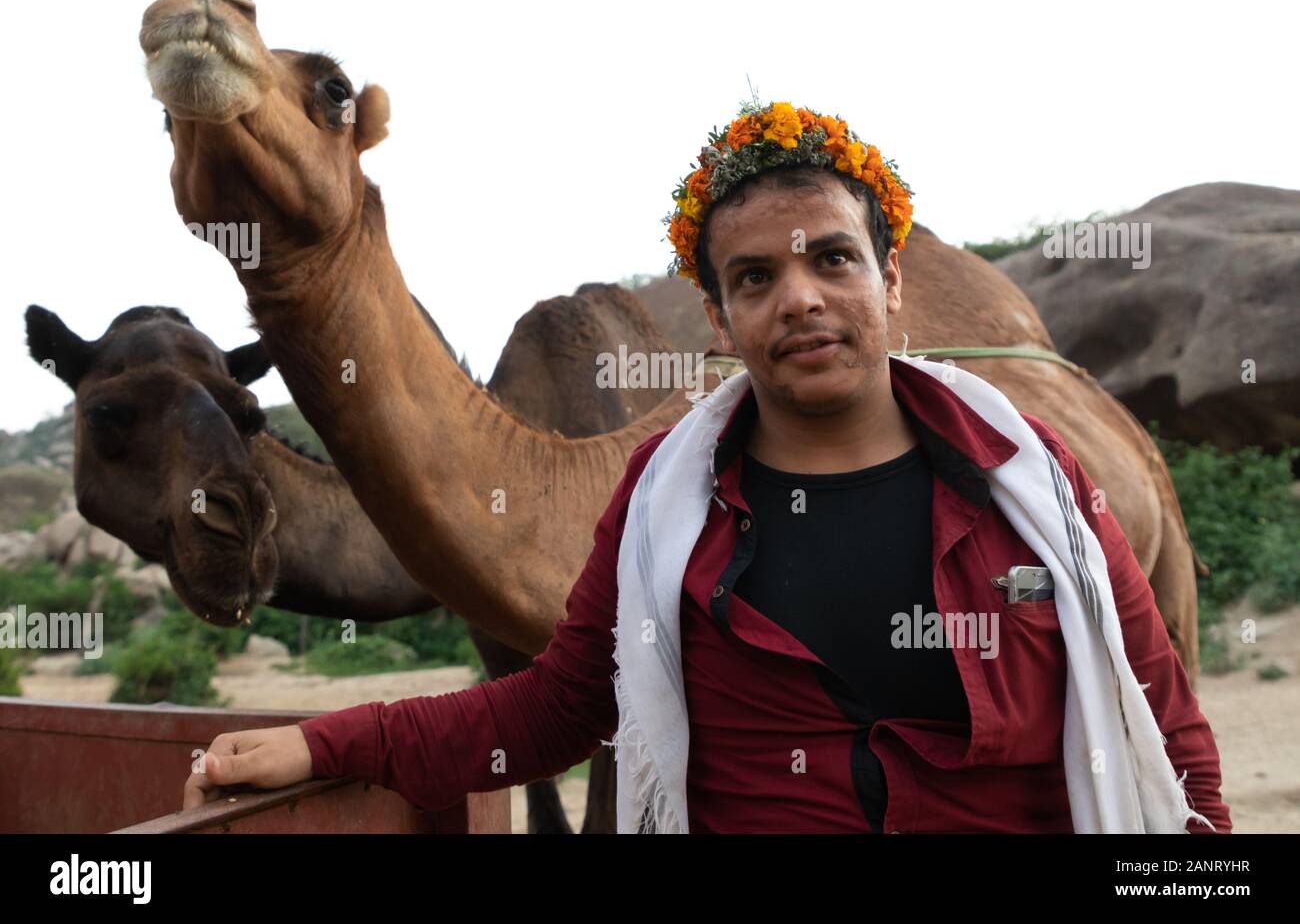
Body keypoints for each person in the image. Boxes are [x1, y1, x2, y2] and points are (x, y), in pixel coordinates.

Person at [181, 100, 1230, 833]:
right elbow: (551, 710)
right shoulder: (664, 508)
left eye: (832, 258)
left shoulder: (1028, 480)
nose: (802, 298)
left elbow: (1165, 726)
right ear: (718, 318)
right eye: (756, 276)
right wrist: (326, 746)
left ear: (888, 280)